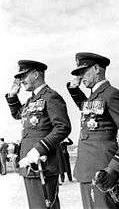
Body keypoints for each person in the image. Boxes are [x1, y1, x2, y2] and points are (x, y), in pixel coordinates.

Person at [67, 52, 119, 209]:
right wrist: (73, 89)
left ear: (96, 68)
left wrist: (114, 168)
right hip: (87, 168)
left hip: (103, 171)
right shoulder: (94, 97)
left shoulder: (111, 94)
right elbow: (86, 108)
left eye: (83, 72)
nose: (81, 77)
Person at [6, 60, 71, 209]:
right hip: (29, 163)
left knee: (45, 206)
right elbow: (18, 114)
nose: (21, 80)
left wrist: (38, 149)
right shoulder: (31, 100)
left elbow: (63, 127)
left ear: (36, 75)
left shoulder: (51, 96)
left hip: (43, 163)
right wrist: (12, 96)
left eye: (24, 75)